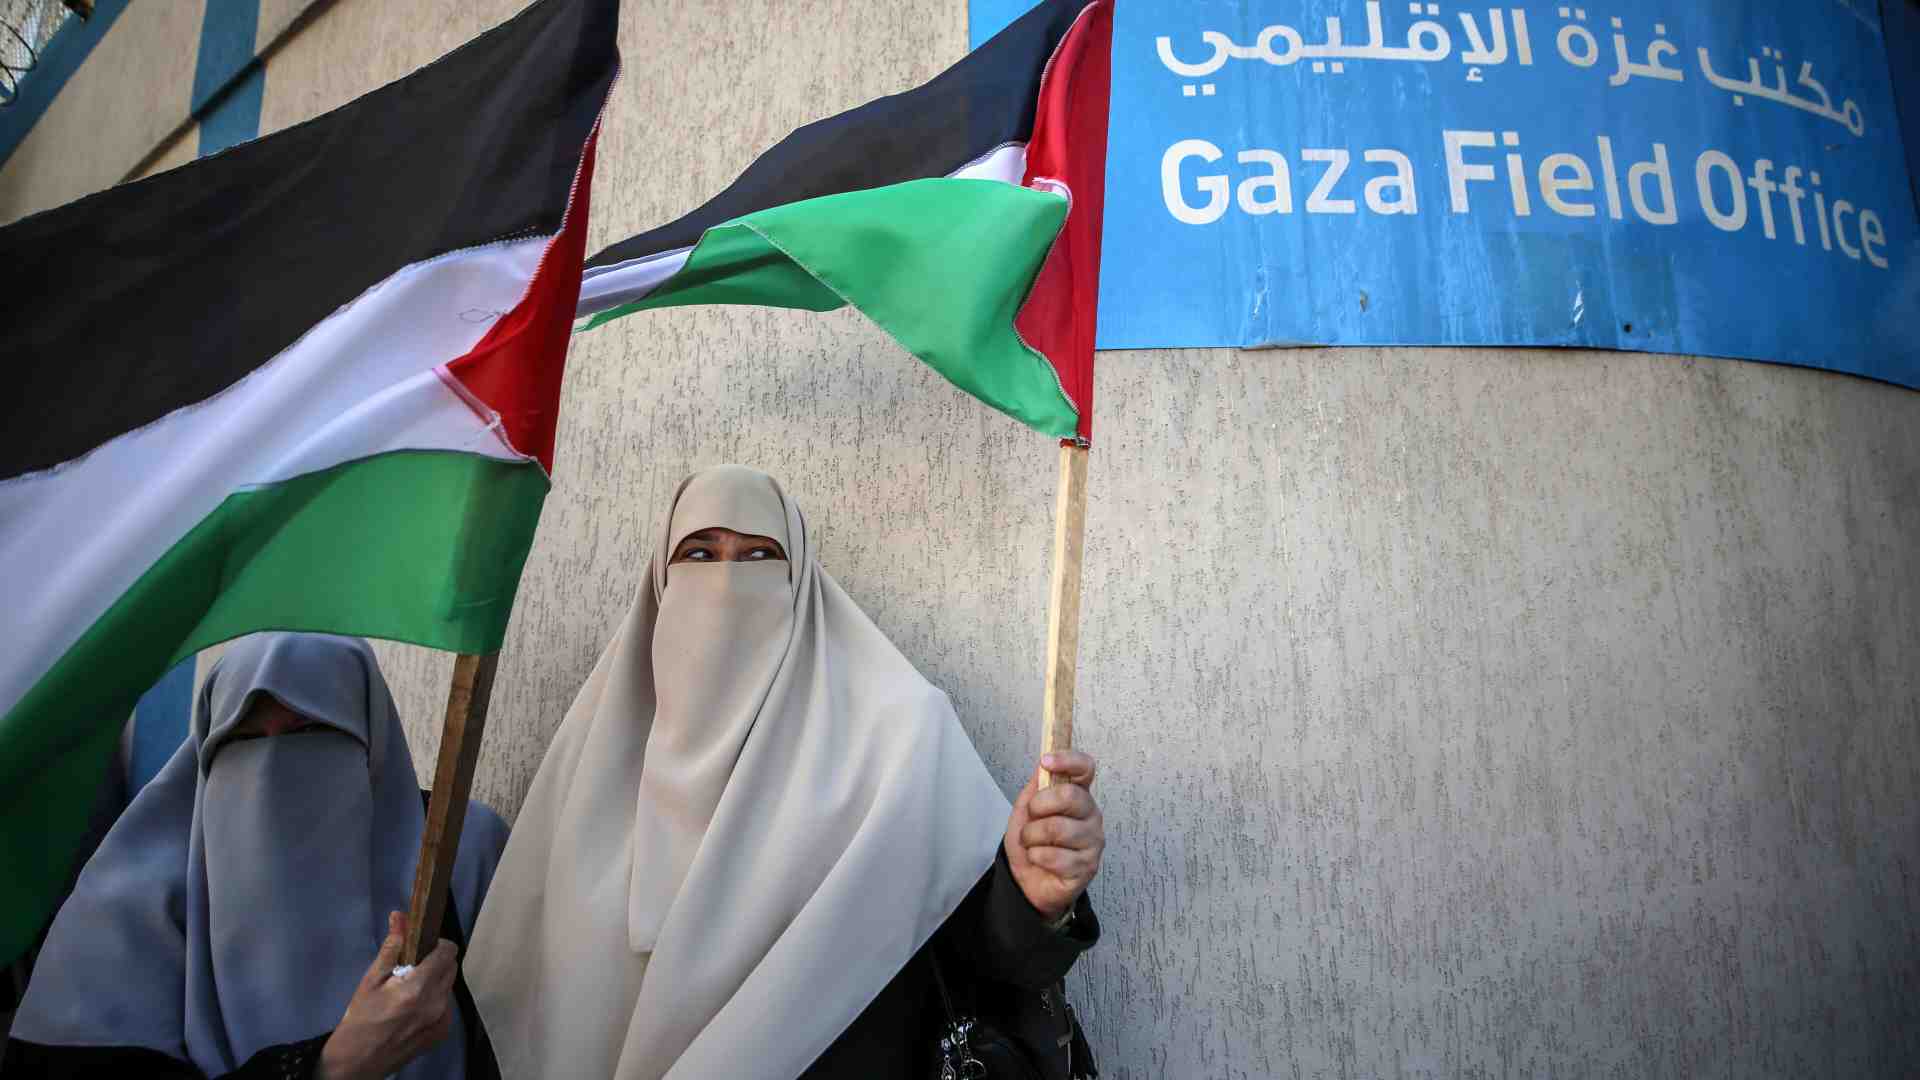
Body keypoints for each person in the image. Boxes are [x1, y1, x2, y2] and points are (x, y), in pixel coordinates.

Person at [464, 465, 1106, 1079]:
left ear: (800, 584)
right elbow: (522, 993)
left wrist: (1035, 897)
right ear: (660, 583)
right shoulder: (590, 776)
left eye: (758, 556)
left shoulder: (899, 742)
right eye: (698, 554)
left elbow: (987, 961)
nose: (724, 583)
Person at [2, 633, 510, 1080]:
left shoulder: (455, 852)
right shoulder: (124, 909)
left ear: (371, 747)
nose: (271, 774)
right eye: (242, 739)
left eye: (309, 732)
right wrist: (329, 1067)